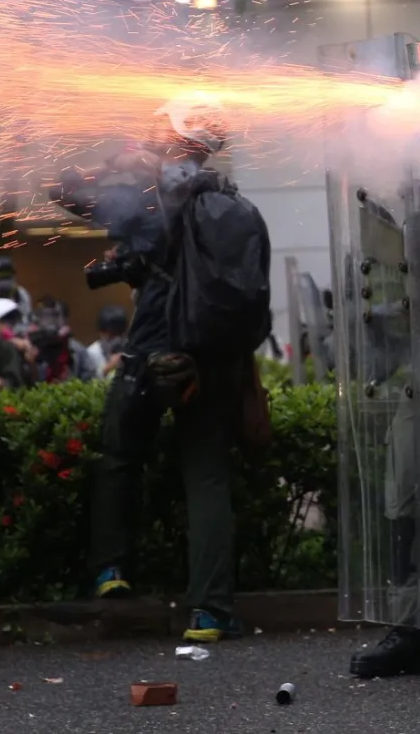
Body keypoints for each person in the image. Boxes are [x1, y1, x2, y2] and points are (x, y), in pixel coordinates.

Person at [85, 116, 252, 644]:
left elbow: (67, 193)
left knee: (119, 456)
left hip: (150, 355)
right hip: (212, 359)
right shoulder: (229, 203)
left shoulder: (148, 197)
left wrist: (112, 162)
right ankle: (210, 613)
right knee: (206, 479)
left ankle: (111, 570)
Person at [28, 296, 95, 383]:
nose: (50, 322)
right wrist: (31, 364)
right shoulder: (30, 346)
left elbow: (90, 379)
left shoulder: (77, 350)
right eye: (44, 317)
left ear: (65, 319)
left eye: (55, 316)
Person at [84, 304, 128, 380]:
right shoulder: (91, 354)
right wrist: (108, 368)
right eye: (112, 335)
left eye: (120, 334)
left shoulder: (129, 350)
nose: (117, 339)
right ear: (101, 332)